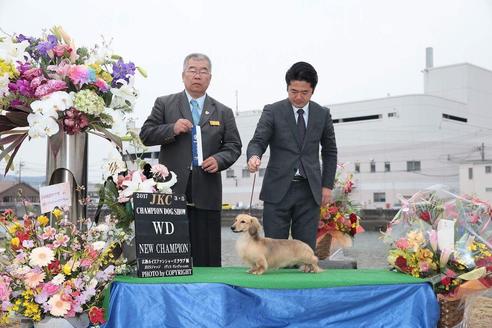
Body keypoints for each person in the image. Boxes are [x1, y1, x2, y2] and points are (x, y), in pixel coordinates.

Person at [139, 53, 242, 267]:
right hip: (171, 191)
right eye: (192, 70)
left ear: (210, 77)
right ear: (183, 75)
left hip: (207, 192)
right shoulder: (165, 104)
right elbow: (146, 135)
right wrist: (172, 129)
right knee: (168, 260)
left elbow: (234, 146)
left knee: (208, 259)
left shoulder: (223, 111)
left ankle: (209, 297)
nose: (198, 75)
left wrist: (220, 159)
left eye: (203, 71)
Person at [246, 61, 337, 251]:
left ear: (313, 91)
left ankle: (305, 280)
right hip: (278, 189)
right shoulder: (273, 110)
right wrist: (254, 156)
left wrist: (327, 185)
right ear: (287, 87)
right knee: (273, 249)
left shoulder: (322, 114)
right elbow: (258, 141)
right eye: (293, 91)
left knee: (304, 251)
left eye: (304, 92)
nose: (298, 97)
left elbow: (329, 151)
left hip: (309, 190)